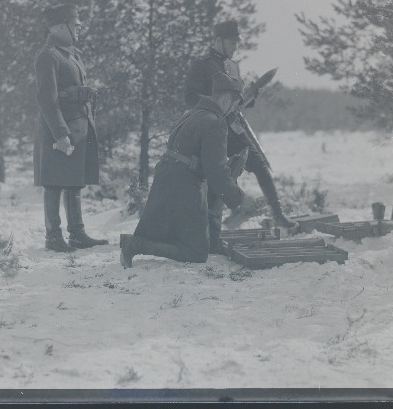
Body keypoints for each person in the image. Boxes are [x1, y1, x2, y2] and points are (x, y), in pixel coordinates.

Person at [120, 72, 256, 268]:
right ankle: (135, 244)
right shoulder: (216, 122)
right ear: (226, 99)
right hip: (184, 187)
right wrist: (240, 199)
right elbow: (215, 172)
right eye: (234, 105)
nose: (233, 110)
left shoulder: (192, 114)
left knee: (181, 236)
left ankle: (137, 243)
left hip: (168, 179)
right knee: (196, 253)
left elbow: (199, 159)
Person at [185, 20, 297, 252]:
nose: (236, 47)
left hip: (234, 128)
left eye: (238, 42)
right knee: (219, 178)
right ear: (217, 40)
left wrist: (250, 95)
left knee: (260, 166)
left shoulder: (234, 67)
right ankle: (211, 234)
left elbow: (237, 99)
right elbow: (190, 98)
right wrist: (216, 106)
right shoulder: (201, 65)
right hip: (211, 129)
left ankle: (278, 215)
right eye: (232, 42)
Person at [34, 3, 108, 252]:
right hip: (59, 129)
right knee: (54, 182)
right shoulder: (48, 56)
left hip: (78, 126)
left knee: (74, 180)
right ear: (57, 27)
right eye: (74, 23)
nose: (79, 26)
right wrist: (61, 133)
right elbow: (47, 99)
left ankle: (77, 233)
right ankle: (53, 237)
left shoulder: (73, 54)